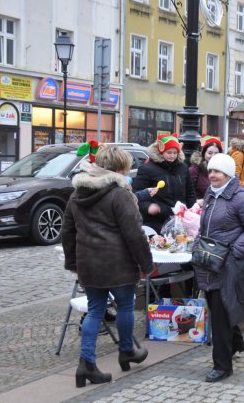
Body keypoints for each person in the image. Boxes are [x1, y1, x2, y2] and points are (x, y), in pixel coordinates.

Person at [62, 146, 153, 388]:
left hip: (88, 263)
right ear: (120, 168)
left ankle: (87, 364)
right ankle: (126, 351)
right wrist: (146, 264)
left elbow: (67, 233)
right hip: (118, 262)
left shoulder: (76, 195)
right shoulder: (120, 194)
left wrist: (73, 263)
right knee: (124, 307)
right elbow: (134, 233)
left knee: (94, 311)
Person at [193, 153, 244, 383]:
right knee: (217, 306)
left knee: (221, 313)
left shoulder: (241, 198)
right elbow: (205, 227)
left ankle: (222, 366)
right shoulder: (211, 195)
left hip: (229, 264)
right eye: (210, 171)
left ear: (228, 174)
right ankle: (236, 342)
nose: (213, 175)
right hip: (210, 261)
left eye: (218, 172)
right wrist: (197, 244)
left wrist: (234, 250)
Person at [132, 133, 196, 233]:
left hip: (181, 220)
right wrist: (148, 207)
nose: (172, 156)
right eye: (169, 152)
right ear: (161, 152)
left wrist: (193, 209)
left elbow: (190, 192)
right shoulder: (147, 169)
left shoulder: (183, 167)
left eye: (175, 153)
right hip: (156, 221)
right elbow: (136, 195)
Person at [189, 135, 223, 204]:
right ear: (204, 153)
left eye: (216, 153)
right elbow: (186, 192)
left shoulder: (223, 170)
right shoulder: (194, 170)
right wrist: (196, 201)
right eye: (210, 153)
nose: (213, 156)